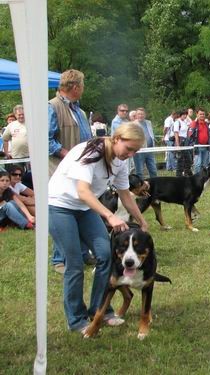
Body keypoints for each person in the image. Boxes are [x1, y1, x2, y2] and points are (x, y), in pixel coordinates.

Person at [48, 122, 148, 335]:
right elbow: (83, 191)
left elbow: (124, 193)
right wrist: (110, 216)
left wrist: (142, 221)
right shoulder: (91, 152)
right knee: (74, 264)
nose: (130, 154)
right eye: (129, 148)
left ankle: (99, 310)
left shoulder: (120, 161)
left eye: (135, 151)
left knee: (106, 255)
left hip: (85, 208)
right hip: (60, 206)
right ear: (116, 138)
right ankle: (76, 319)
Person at [48, 69, 93, 273]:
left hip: (81, 170)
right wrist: (69, 155)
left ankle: (83, 254)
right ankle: (60, 259)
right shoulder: (52, 107)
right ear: (75, 87)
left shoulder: (80, 111)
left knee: (82, 210)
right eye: (82, 85)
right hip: (60, 170)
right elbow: (47, 141)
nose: (83, 89)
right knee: (62, 212)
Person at [132, 107, 157, 178]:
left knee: (153, 170)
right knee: (139, 172)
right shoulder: (133, 124)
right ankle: (140, 187)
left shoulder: (149, 122)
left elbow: (151, 134)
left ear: (145, 115)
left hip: (150, 150)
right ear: (136, 115)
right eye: (139, 114)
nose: (140, 116)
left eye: (142, 114)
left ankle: (154, 185)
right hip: (139, 151)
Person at [189, 108, 210, 174]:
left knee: (205, 164)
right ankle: (196, 178)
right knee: (198, 164)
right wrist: (193, 144)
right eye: (200, 114)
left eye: (203, 114)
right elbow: (190, 135)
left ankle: (203, 178)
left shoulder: (206, 124)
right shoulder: (194, 123)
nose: (202, 115)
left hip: (206, 146)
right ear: (197, 114)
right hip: (197, 146)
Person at [173, 109, 193, 177]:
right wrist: (178, 145)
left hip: (186, 141)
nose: (185, 116)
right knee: (180, 160)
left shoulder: (185, 122)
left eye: (186, 114)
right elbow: (176, 133)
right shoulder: (177, 122)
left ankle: (187, 173)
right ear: (180, 115)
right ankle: (178, 176)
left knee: (188, 159)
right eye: (183, 114)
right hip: (180, 141)